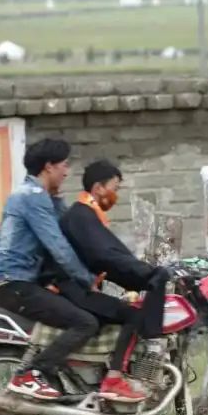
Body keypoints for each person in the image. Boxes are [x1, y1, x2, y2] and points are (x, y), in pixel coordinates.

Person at [49, 160, 171, 399]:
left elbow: (109, 259)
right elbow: (105, 255)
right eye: (114, 188)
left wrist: (139, 276)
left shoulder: (86, 215)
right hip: (72, 289)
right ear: (98, 188)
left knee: (124, 309)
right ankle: (114, 378)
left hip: (77, 287)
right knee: (133, 315)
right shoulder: (81, 216)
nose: (116, 195)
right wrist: (147, 274)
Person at [0, 138, 100, 401]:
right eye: (64, 165)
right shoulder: (32, 197)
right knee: (85, 322)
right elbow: (59, 247)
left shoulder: (39, 197)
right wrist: (87, 279)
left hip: (21, 283)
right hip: (16, 285)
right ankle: (31, 373)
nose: (67, 171)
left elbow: (69, 230)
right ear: (49, 166)